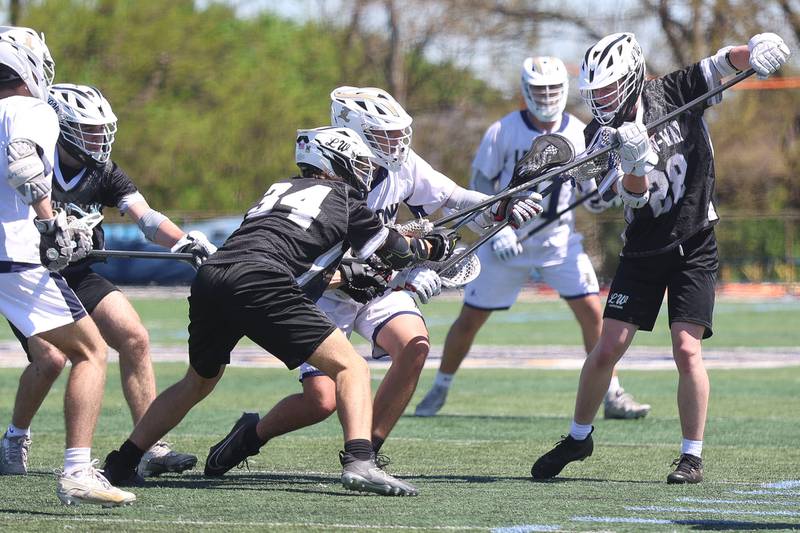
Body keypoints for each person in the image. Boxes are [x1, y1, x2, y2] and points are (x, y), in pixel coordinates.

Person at [102, 126, 494, 496]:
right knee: (351, 368)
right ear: (334, 163)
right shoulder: (344, 198)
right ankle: (360, 460)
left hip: (213, 276)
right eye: (358, 163)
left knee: (197, 382)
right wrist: (432, 250)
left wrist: (354, 271)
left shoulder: (278, 189)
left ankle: (123, 461)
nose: (364, 172)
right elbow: (392, 249)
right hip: (261, 280)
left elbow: (299, 259)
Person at [202, 86, 544, 477]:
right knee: (321, 401)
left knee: (414, 346)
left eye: (399, 133)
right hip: (329, 292)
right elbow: (311, 266)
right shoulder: (328, 180)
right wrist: (370, 271)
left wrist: (502, 205)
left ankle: (367, 452)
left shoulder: (404, 166)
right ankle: (250, 436)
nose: (396, 143)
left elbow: (456, 198)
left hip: (379, 284)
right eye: (385, 135)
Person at [530, 32, 790, 484]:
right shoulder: (599, 136)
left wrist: (756, 48)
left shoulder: (672, 91)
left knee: (687, 348)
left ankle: (692, 456)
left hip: (695, 239)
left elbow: (722, 63)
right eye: (595, 93)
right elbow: (632, 199)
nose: (602, 100)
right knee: (608, 346)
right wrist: (634, 164)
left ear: (632, 79)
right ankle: (578, 436)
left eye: (609, 89)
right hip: (644, 249)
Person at [414, 56, 650, 420]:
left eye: (553, 88)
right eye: (539, 89)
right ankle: (441, 385)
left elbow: (596, 188)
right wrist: (493, 233)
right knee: (470, 319)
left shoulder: (581, 130)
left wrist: (611, 192)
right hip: (505, 240)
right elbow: (480, 184)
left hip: (558, 242)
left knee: (592, 312)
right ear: (526, 90)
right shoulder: (502, 130)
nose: (547, 95)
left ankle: (613, 393)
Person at [0, 83, 213, 478]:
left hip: (78, 274)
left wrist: (182, 241)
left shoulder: (104, 171)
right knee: (50, 360)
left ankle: (149, 447)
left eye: (102, 130)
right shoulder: (32, 161)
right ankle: (15, 437)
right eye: (89, 130)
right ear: (62, 128)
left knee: (135, 336)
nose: (99, 140)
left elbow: (146, 218)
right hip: (32, 274)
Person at [0, 36, 135, 506]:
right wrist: (49, 220)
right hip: (11, 254)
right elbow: (21, 160)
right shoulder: (30, 109)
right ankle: (78, 470)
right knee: (91, 352)